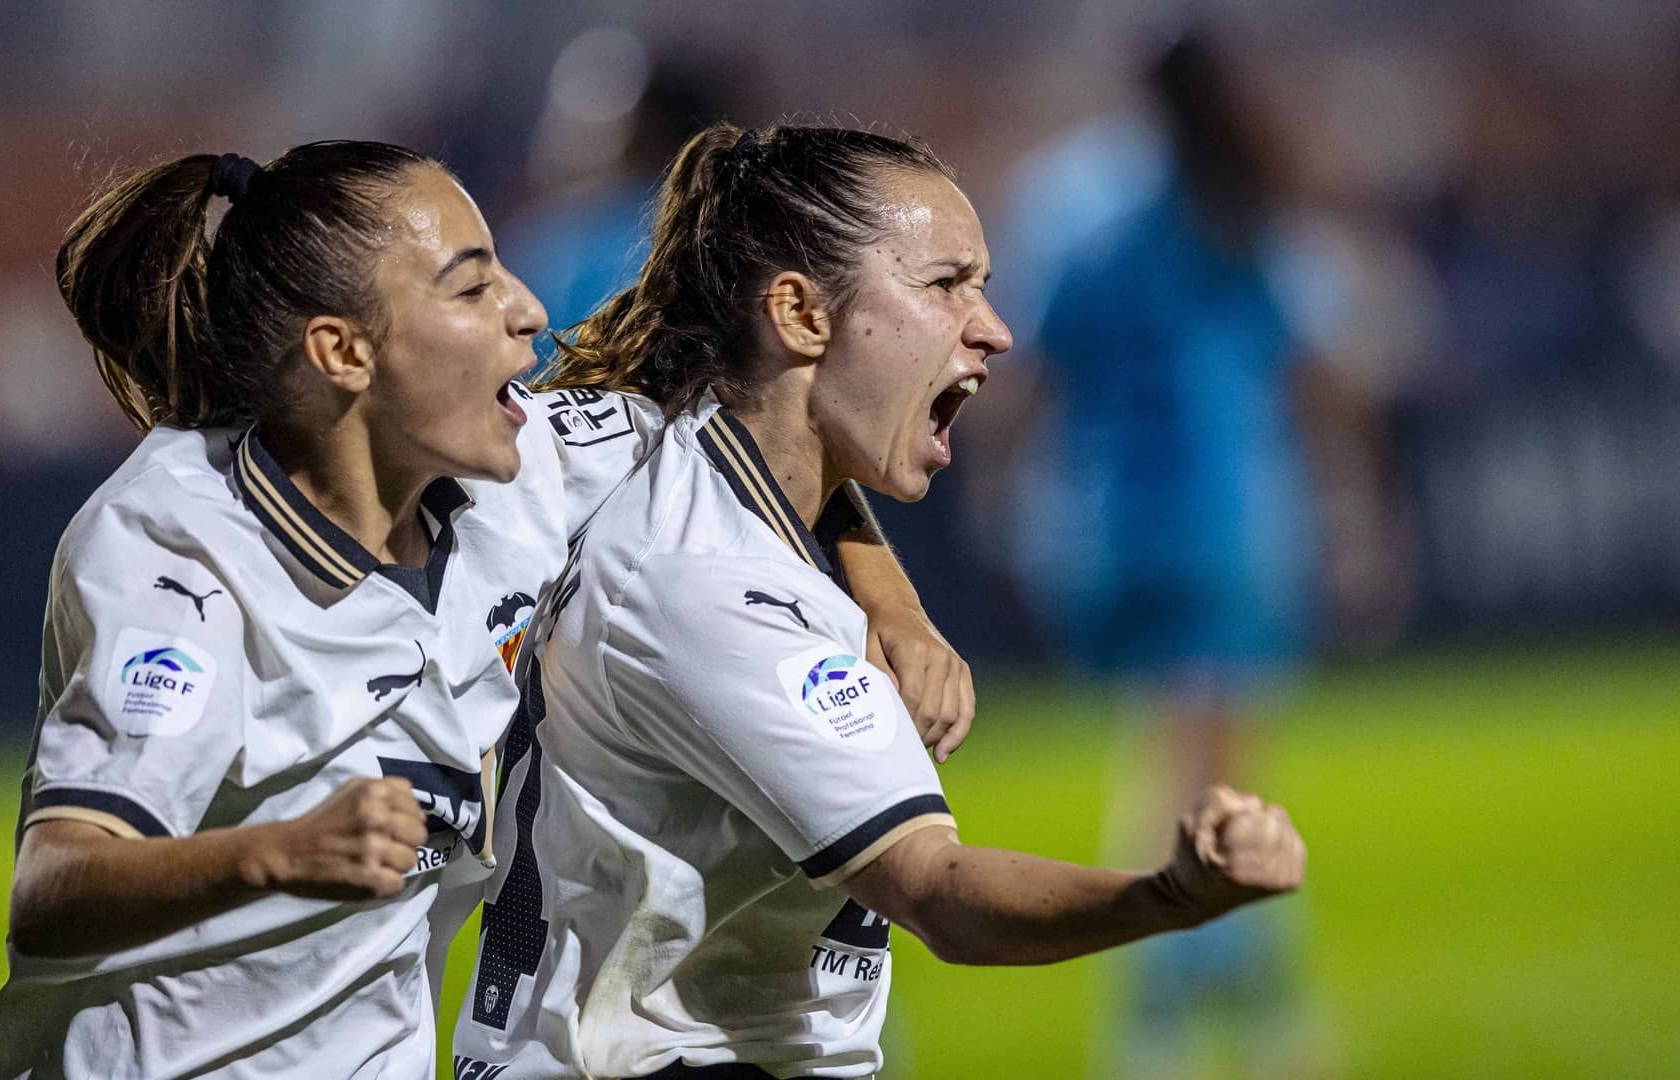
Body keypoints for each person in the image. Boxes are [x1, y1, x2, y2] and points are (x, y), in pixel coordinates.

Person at [0, 138, 969, 1080]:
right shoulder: (178, 555)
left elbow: (762, 439)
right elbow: (55, 890)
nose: (530, 310)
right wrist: (276, 851)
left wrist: (894, 604)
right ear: (343, 351)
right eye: (472, 285)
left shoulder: (518, 470)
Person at [449, 123, 1308, 1080]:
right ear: (802, 315)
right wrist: (1170, 896)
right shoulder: (710, 592)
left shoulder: (646, 446)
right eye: (946, 285)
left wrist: (883, 589)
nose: (993, 326)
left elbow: (782, 449)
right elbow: (939, 890)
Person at [988, 32, 1341, 1075]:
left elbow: (1031, 364)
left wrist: (1008, 495)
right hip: (1228, 520)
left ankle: (1210, 1012)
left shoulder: (1074, 195)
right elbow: (1310, 363)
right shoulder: (1242, 184)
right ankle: (1192, 1012)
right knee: (1205, 773)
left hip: (1100, 525)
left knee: (1176, 761)